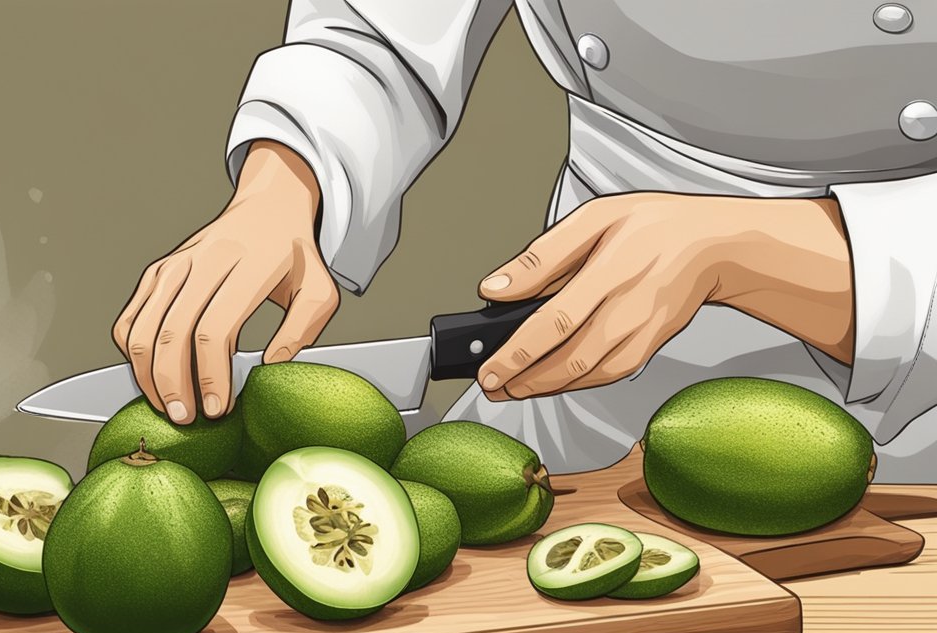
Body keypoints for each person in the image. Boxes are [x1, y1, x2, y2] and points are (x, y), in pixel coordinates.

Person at [111, 2, 937, 482]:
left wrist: (751, 251)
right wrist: (283, 188)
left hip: (914, 443)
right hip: (573, 398)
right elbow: (378, 37)